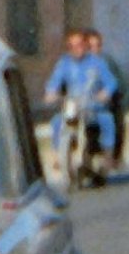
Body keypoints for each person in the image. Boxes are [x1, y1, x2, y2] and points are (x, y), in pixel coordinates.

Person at [45, 30, 119, 169]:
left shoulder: (97, 62)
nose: (76, 49)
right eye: (71, 46)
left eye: (79, 44)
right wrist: (51, 92)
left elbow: (111, 81)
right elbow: (54, 80)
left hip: (93, 105)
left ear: (85, 45)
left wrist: (105, 92)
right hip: (74, 104)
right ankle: (58, 155)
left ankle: (108, 154)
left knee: (106, 119)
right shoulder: (64, 63)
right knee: (57, 121)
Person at [86, 30, 127, 165]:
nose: (95, 49)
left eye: (98, 45)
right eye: (91, 46)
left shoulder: (107, 61)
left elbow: (118, 82)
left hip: (106, 102)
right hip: (84, 102)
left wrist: (108, 93)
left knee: (116, 118)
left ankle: (115, 154)